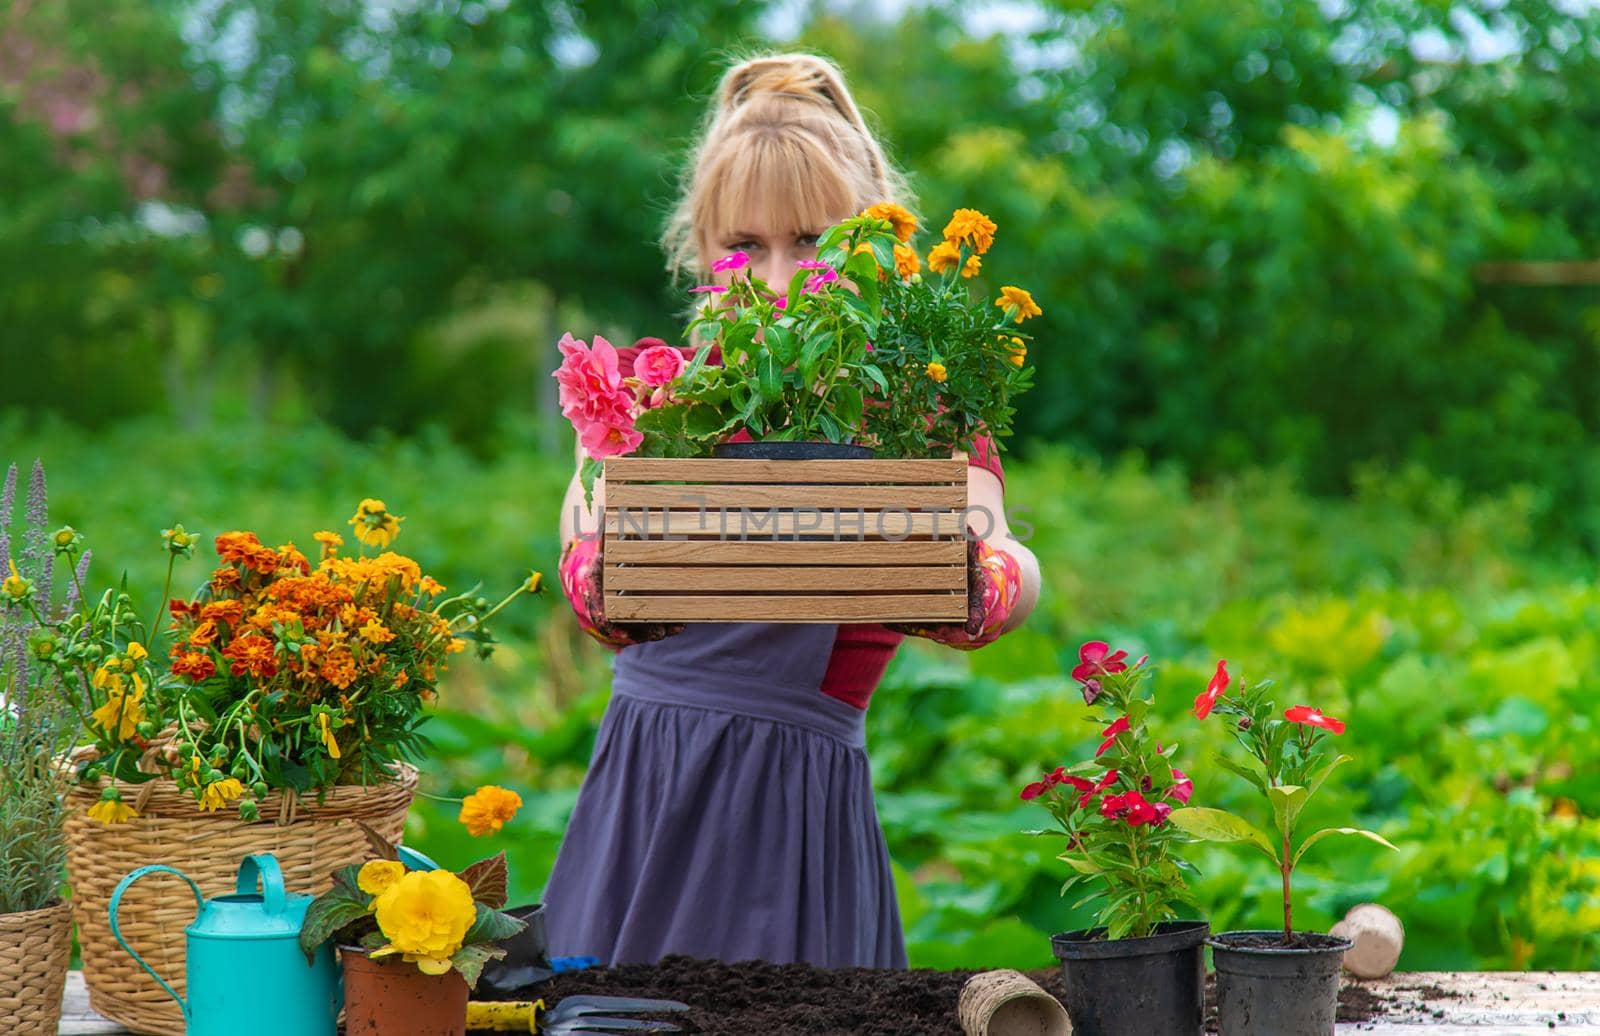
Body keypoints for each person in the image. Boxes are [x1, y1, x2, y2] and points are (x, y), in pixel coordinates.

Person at [544, 51, 1043, 969]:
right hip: (648, 792)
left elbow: (998, 571)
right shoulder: (651, 402)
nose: (776, 277)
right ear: (703, 254)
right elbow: (592, 592)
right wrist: (603, 556)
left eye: (811, 242)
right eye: (744, 247)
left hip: (796, 814)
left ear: (874, 244)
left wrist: (983, 580)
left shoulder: (916, 417)